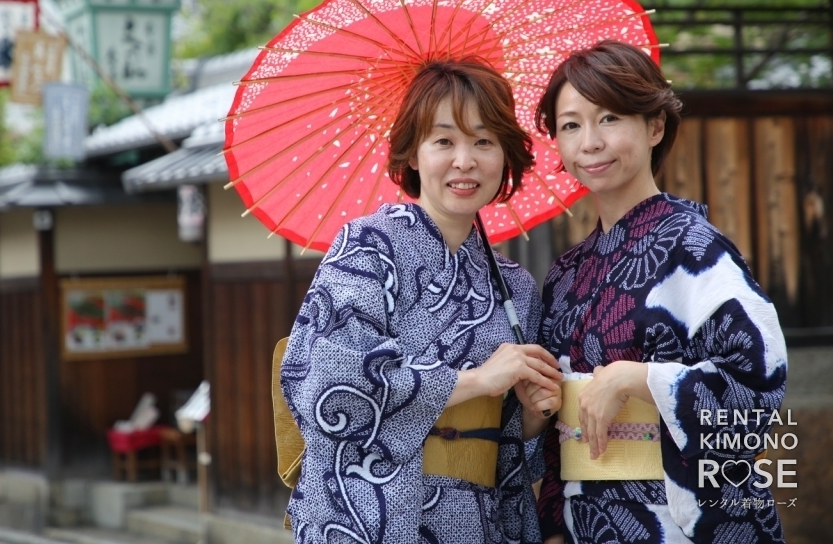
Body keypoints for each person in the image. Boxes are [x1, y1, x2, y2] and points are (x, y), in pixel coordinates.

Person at [279, 59, 564, 544]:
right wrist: (476, 380)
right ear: (412, 153)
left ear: (505, 155)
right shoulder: (367, 249)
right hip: (376, 519)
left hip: (480, 524)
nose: (465, 161)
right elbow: (328, 386)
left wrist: (534, 416)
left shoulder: (514, 286)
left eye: (483, 141)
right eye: (444, 141)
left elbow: (517, 456)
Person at [532, 41, 787, 544]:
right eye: (570, 125)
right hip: (588, 524)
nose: (590, 142)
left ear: (655, 126)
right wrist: (554, 523)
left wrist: (641, 377)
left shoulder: (695, 249)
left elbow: (761, 385)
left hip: (676, 523)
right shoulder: (565, 275)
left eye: (609, 118)